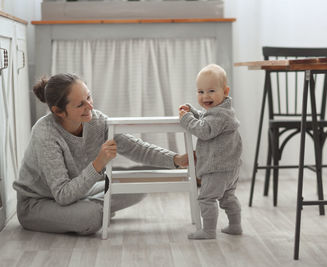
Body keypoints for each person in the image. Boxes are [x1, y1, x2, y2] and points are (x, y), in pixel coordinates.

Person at [13, 73, 188, 235]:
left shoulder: (96, 120)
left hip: (79, 192)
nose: (90, 106)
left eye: (88, 97)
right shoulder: (45, 133)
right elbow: (63, 194)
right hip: (38, 204)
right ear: (58, 111)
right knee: (89, 218)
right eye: (80, 104)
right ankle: (91, 212)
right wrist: (99, 162)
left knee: (138, 185)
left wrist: (176, 159)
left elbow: (135, 147)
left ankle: (91, 210)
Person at [178, 64, 242, 239]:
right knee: (228, 198)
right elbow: (207, 121)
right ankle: (235, 225)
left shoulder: (219, 116)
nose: (205, 96)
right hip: (230, 168)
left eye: (211, 91)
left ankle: (208, 231)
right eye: (200, 92)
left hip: (216, 168)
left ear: (225, 91)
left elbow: (204, 130)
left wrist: (186, 120)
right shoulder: (223, 112)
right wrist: (192, 112)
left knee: (207, 198)